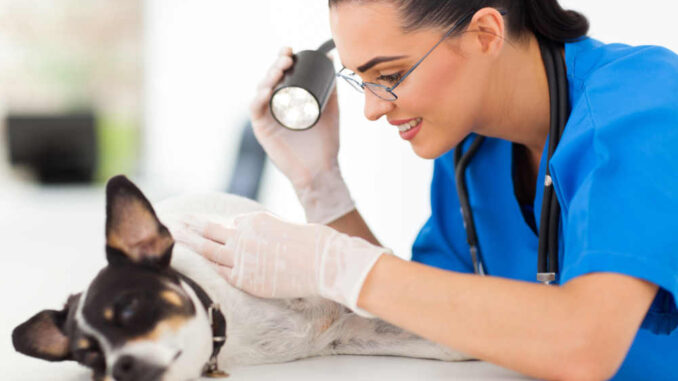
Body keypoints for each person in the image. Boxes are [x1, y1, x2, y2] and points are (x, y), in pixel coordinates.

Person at [177, 1, 678, 379]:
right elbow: (421, 320)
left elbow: (586, 342)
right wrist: (321, 186)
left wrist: (334, 264)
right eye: (361, 81)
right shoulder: (469, 150)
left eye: (390, 75)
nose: (372, 109)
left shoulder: (644, 103)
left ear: (485, 33)